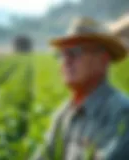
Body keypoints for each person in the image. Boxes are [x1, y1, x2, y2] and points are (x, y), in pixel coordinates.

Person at [32, 17, 129, 160]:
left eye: (75, 52)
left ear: (103, 59)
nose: (66, 60)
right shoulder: (64, 114)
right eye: (63, 54)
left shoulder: (121, 113)